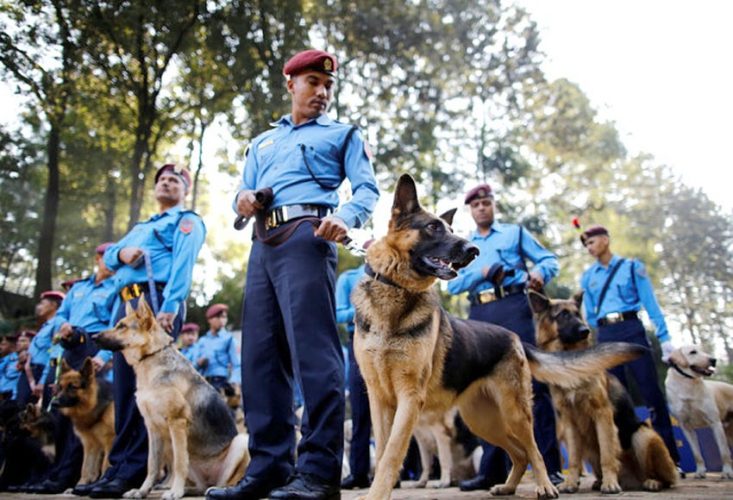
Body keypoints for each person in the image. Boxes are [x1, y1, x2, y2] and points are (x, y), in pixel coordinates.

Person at [207, 49, 379, 500]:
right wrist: (243, 199)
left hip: (309, 235)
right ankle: (268, 468)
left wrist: (346, 216)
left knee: (314, 354)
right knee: (259, 359)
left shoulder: (343, 135)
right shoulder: (262, 142)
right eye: (313, 83)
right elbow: (240, 191)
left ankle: (319, 472)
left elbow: (366, 189)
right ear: (291, 85)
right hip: (262, 243)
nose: (322, 92)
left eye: (328, 86)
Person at [85, 163, 206, 498]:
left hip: (155, 304)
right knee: (126, 391)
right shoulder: (141, 227)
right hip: (126, 306)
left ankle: (134, 471)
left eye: (174, 180)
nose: (166, 183)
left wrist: (170, 306)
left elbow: (183, 263)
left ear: (185, 190)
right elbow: (110, 259)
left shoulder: (186, 221)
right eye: (162, 179)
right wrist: (121, 252)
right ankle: (119, 467)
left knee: (152, 392)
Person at [446, 183, 564, 491]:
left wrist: (540, 273)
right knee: (480, 392)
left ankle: (550, 468)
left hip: (514, 307)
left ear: (493, 205)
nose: (481, 208)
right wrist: (482, 272)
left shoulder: (515, 233)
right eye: (475, 205)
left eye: (486, 202)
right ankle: (492, 472)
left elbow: (549, 260)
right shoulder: (464, 244)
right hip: (479, 316)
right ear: (470, 211)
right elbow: (453, 285)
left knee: (530, 387)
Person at [579, 224, 680, 464]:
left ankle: (669, 459)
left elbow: (651, 304)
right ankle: (629, 461)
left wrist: (664, 338)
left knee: (651, 394)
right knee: (615, 400)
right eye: (586, 245)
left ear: (605, 239)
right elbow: (589, 316)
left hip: (632, 329)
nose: (589, 248)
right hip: (606, 334)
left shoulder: (633, 268)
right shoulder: (588, 277)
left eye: (591, 242)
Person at [26, 242, 118, 495]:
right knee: (62, 415)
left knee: (87, 418)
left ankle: (72, 476)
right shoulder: (80, 287)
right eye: (106, 257)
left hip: (93, 347)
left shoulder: (116, 288)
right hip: (69, 346)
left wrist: (103, 355)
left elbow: (115, 324)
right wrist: (63, 326)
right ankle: (56, 473)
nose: (111, 263)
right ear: (98, 259)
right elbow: (62, 314)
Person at [335, 240, 373, 490]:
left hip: (392, 343)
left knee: (392, 410)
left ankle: (394, 473)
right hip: (359, 341)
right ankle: (359, 473)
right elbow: (338, 314)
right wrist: (364, 310)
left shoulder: (397, 277)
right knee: (360, 411)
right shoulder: (349, 278)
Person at [16, 291, 65, 407]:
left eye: (42, 303)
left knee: (29, 411)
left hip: (39, 373)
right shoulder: (45, 326)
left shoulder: (58, 324)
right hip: (30, 372)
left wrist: (43, 381)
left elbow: (54, 353)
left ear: (53, 306)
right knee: (20, 409)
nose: (38, 307)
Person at [195, 304, 240, 390]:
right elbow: (194, 364)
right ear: (209, 319)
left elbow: (237, 365)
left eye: (224, 317)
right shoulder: (202, 340)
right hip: (203, 381)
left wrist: (233, 382)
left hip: (221, 382)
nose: (222, 320)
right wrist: (199, 363)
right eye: (218, 317)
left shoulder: (229, 339)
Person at [0, 335, 20, 400]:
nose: (0, 347)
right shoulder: (3, 360)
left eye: (3, 344)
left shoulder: (17, 360)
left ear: (12, 346)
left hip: (10, 394)